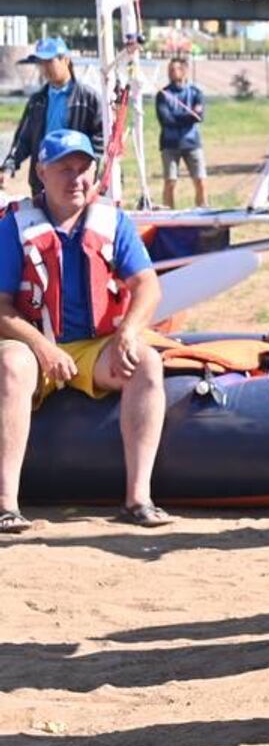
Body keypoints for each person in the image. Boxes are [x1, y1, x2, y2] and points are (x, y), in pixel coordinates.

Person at [0, 130, 172, 533]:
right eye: (64, 169)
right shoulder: (13, 227)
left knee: (147, 362)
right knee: (11, 365)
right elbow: (2, 307)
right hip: (33, 343)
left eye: (83, 169)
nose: (75, 178)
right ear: (41, 172)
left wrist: (129, 331)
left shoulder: (113, 222)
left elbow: (147, 285)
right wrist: (43, 348)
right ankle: (6, 503)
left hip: (94, 347)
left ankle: (138, 498)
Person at [5, 39, 107, 196]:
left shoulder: (89, 99)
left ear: (65, 60)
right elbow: (23, 140)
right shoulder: (37, 101)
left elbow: (101, 140)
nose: (44, 68)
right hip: (43, 180)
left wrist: (91, 171)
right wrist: (8, 167)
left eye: (49, 62)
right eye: (41, 63)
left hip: (76, 180)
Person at [154, 57, 209, 209]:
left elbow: (199, 116)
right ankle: (168, 214)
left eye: (175, 69)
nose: (171, 73)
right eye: (169, 70)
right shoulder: (163, 95)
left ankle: (202, 211)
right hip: (169, 144)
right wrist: (188, 116)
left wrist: (179, 116)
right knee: (170, 181)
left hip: (192, 142)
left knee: (200, 180)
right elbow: (166, 119)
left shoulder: (195, 93)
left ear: (184, 71)